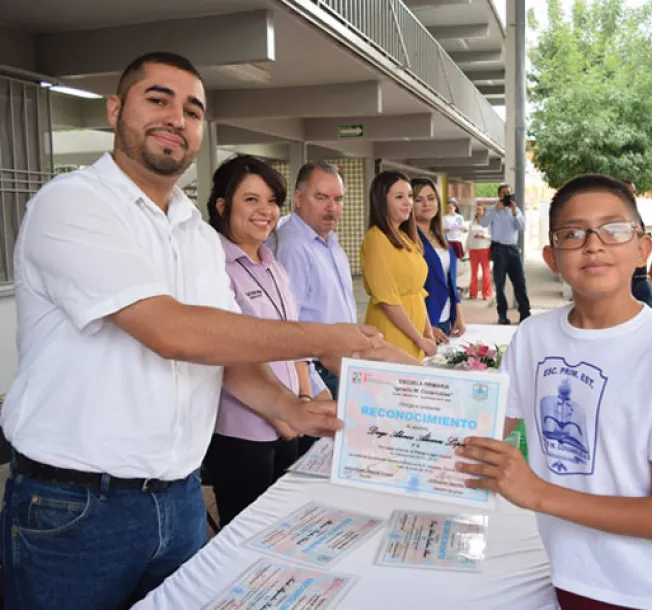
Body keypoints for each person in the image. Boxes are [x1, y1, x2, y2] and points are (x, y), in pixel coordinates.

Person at [0, 52, 383, 610]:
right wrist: (321, 338)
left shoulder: (195, 235)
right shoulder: (73, 203)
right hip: (76, 506)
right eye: (158, 99)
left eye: (193, 110)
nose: (176, 118)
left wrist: (290, 408)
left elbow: (223, 349)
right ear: (115, 109)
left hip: (178, 499)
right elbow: (172, 332)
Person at [456, 174, 652, 609]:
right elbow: (482, 428)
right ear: (552, 257)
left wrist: (537, 492)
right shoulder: (534, 337)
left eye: (613, 229)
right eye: (573, 233)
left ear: (642, 249)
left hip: (649, 590)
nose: (593, 244)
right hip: (566, 572)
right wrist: (374, 412)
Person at [203, 155, 320, 527]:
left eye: (271, 201)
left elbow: (294, 341)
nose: (265, 211)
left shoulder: (273, 263)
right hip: (243, 432)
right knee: (248, 533)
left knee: (287, 527)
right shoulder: (214, 268)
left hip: (289, 421)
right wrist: (285, 418)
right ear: (222, 206)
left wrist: (303, 399)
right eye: (251, 200)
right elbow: (227, 359)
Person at [274, 162, 357, 402]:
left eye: (338, 199)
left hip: (341, 366)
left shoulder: (329, 241)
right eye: (321, 197)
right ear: (298, 198)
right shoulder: (292, 247)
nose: (331, 208)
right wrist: (313, 387)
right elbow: (288, 328)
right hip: (318, 373)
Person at [361, 171, 435, 359]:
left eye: (410, 196)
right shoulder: (376, 239)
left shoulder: (405, 237)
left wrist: (429, 334)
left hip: (415, 334)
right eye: (399, 197)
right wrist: (420, 339)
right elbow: (388, 301)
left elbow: (418, 291)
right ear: (381, 201)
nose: (408, 202)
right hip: (392, 333)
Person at [412, 177, 466, 344]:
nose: (426, 204)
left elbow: (450, 278)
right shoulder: (408, 240)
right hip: (422, 323)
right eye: (418, 200)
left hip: (445, 319)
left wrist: (458, 312)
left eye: (431, 198)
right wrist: (425, 327)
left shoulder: (441, 236)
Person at [480, 184, 531, 324]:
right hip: (499, 249)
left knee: (520, 282)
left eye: (508, 193)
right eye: (503, 193)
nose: (506, 195)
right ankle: (502, 315)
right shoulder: (493, 209)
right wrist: (495, 211)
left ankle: (525, 313)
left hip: (513, 249)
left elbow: (522, 227)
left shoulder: (515, 209)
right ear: (499, 195)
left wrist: (515, 212)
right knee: (500, 283)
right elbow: (483, 223)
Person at [467, 204, 493, 300]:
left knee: (486, 272)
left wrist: (483, 237)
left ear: (484, 212)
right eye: (477, 210)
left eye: (480, 210)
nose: (478, 211)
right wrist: (466, 249)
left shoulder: (488, 224)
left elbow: (492, 237)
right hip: (473, 250)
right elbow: (469, 237)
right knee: (474, 273)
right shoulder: (472, 224)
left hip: (484, 249)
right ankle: (473, 293)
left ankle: (486, 294)